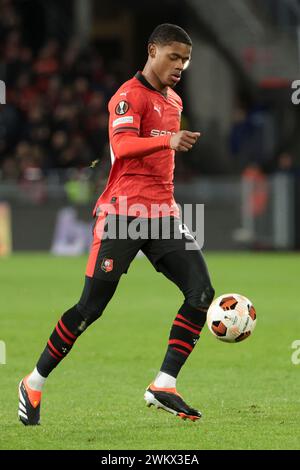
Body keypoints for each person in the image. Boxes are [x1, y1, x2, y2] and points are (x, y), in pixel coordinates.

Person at [18, 23, 215, 425]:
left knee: (201, 293)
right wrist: (168, 140)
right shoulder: (127, 97)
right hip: (123, 214)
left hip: (162, 215)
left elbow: (162, 161)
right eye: (174, 56)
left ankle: (164, 383)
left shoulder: (174, 100)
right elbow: (123, 147)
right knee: (90, 308)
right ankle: (33, 382)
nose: (181, 65)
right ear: (152, 50)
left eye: (186, 59)